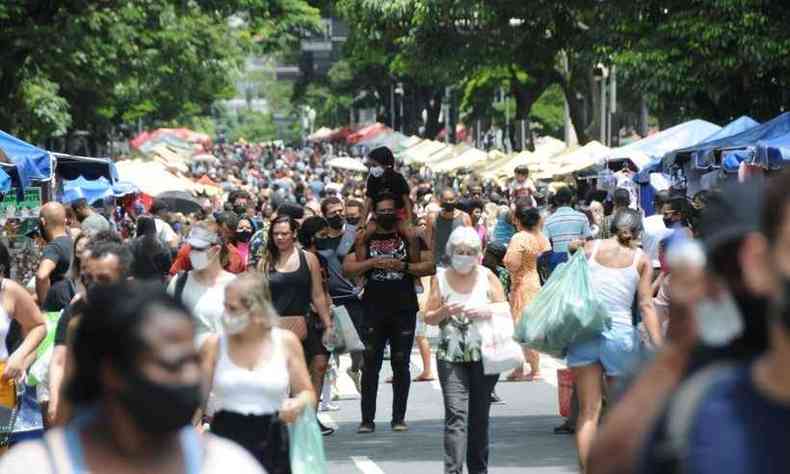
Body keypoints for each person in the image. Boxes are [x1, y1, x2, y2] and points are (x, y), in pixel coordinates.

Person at [0, 283, 265, 473]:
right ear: (111, 371)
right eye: (172, 365)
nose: (190, 377)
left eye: (192, 361)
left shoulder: (227, 464)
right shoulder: (34, 466)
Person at [566, 208, 663, 471]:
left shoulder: (590, 249)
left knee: (588, 413)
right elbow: (646, 306)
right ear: (637, 230)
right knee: (621, 411)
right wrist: (658, 344)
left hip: (585, 330)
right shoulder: (641, 259)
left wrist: (574, 245)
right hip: (619, 335)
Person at [200, 274, 316, 473]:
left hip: (272, 439)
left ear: (255, 309)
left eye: (233, 308)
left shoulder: (285, 342)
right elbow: (196, 398)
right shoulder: (214, 345)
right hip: (226, 439)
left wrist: (296, 404)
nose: (225, 314)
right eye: (225, 306)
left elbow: (307, 393)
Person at [343, 193, 434, 434]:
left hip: (403, 307)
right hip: (372, 308)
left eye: (389, 210)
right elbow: (348, 267)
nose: (385, 214)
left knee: (401, 362)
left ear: (397, 211)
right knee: (370, 364)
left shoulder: (410, 236)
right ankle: (367, 420)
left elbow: (430, 265)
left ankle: (398, 418)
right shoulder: (365, 237)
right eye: (380, 210)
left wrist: (403, 266)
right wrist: (371, 264)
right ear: (374, 213)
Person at [424, 226, 508, 474]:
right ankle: (453, 470)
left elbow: (504, 307)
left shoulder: (487, 276)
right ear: (451, 252)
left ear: (478, 254)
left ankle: (478, 470)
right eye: (459, 251)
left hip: (485, 354)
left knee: (479, 418)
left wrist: (486, 311)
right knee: (455, 416)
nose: (464, 255)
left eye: (470, 251)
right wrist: (443, 312)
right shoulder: (439, 278)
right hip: (451, 355)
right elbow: (427, 316)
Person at [48, 240, 134, 425]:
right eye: (88, 279)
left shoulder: (144, 317)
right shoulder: (75, 314)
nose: (94, 286)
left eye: (104, 279)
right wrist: (55, 401)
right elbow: (61, 361)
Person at [264, 215, 334, 436]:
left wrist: (328, 325)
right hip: (276, 327)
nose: (280, 237)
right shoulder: (265, 262)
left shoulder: (308, 259)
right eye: (276, 234)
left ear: (294, 233)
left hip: (306, 322)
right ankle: (285, 419)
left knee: (320, 364)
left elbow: (317, 294)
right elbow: (260, 298)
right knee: (285, 377)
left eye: (284, 233)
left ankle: (310, 417)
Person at [319, 197, 366, 391]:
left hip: (354, 297)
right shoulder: (319, 240)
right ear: (325, 215)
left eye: (340, 211)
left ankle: (354, 369)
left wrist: (363, 284)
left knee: (358, 346)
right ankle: (330, 388)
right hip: (330, 300)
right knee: (330, 347)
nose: (338, 215)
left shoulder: (355, 234)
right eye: (333, 213)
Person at [167, 222, 237, 349]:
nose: (192, 253)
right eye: (191, 247)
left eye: (199, 249)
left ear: (216, 249)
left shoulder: (235, 285)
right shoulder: (179, 282)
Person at [504, 206, 551, 381]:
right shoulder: (539, 236)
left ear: (517, 219)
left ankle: (533, 368)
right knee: (527, 325)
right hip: (534, 281)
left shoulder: (519, 237)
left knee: (521, 327)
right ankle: (521, 368)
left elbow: (512, 263)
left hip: (521, 284)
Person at [170, 212, 246, 275]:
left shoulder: (235, 256)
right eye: (220, 232)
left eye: (228, 234)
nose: (223, 236)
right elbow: (174, 276)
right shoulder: (189, 250)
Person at [543, 187, 592, 273]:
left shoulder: (549, 220)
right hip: (577, 260)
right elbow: (589, 240)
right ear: (572, 199)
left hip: (558, 263)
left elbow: (544, 243)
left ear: (556, 201)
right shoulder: (581, 217)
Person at [35, 202, 73, 307]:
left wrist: (44, 304)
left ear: (43, 222)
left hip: (57, 310)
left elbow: (42, 276)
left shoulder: (53, 247)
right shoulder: (73, 242)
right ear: (64, 220)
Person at [425, 188, 472, 268]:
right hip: (438, 263)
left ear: (456, 200)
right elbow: (428, 241)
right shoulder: (432, 217)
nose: (448, 202)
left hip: (458, 264)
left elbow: (470, 241)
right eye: (445, 200)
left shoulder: (465, 218)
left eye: (451, 199)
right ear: (440, 200)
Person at [129, 215, 172, 281]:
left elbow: (129, 264)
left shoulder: (132, 243)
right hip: (157, 282)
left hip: (137, 281)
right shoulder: (163, 244)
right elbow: (168, 266)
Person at [641, 190, 672, 271]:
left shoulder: (644, 222)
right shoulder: (676, 223)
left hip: (649, 268)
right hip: (670, 270)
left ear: (654, 204)